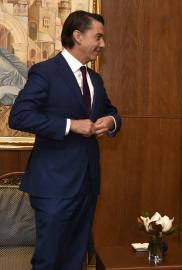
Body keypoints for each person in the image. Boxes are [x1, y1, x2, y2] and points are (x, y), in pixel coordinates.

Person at [8, 10, 121, 270]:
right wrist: (70, 125)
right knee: (49, 261)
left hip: (87, 185)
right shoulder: (45, 72)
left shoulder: (95, 79)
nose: (103, 44)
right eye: (99, 37)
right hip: (53, 186)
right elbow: (20, 116)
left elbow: (111, 111)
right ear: (78, 36)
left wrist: (112, 122)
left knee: (75, 259)